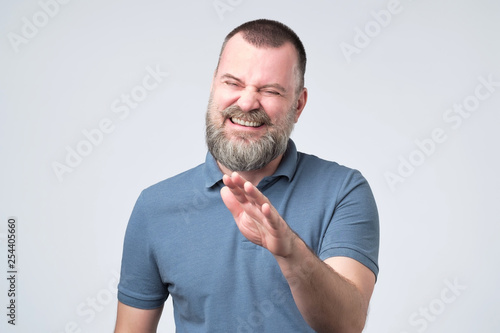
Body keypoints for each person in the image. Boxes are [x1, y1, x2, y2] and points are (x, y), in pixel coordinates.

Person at [115, 19, 379, 333]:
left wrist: (290, 252)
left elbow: (347, 325)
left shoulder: (344, 191)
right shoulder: (154, 207)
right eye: (233, 83)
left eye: (270, 90)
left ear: (299, 105)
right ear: (214, 86)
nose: (247, 102)